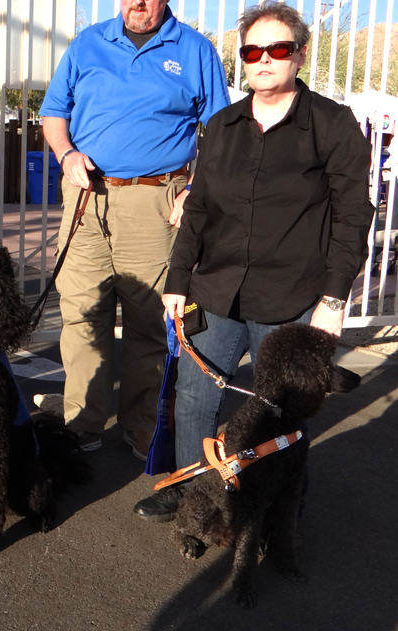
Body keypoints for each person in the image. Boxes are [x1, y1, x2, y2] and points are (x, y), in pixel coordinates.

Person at [133, 1, 374, 521]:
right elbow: (198, 208)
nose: (264, 59)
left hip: (290, 298)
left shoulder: (332, 125)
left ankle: (274, 508)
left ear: (300, 56)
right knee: (196, 397)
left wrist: (333, 299)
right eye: (252, 51)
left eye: (278, 49)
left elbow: (354, 216)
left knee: (280, 410)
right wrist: (178, 280)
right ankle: (191, 488)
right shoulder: (221, 126)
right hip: (217, 290)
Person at [37, 0, 230, 462]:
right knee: (82, 314)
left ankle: (141, 425)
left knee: (149, 322)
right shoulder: (88, 44)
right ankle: (81, 425)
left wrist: (194, 191)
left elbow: (222, 133)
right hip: (87, 198)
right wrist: (65, 154)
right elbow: (53, 112)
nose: (138, 3)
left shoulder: (195, 50)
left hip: (156, 201)